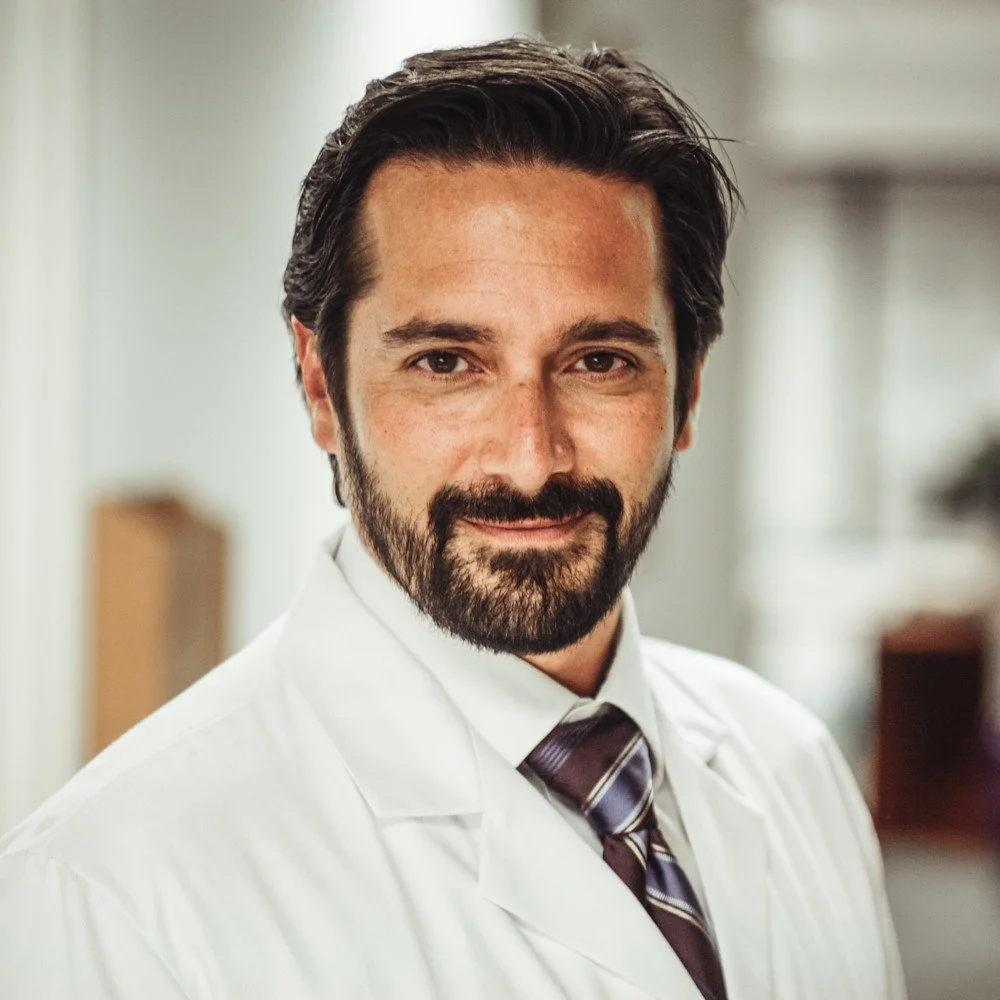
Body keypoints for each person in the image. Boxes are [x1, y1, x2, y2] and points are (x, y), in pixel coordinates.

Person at [0, 38, 905, 1000]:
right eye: (446, 363)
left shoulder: (793, 766)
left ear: (687, 395)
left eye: (599, 361)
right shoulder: (111, 893)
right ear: (319, 384)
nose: (530, 456)